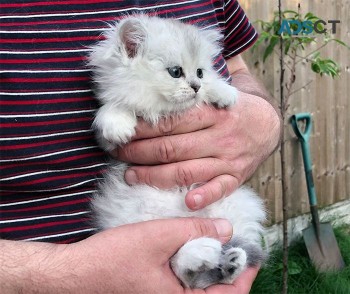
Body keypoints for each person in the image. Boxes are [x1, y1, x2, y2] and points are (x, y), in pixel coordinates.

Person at [0, 0, 281, 292]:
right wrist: (65, 274)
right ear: (131, 50)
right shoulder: (127, 81)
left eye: (198, 75)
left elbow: (234, 66)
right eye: (176, 72)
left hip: (203, 209)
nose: (195, 85)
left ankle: (211, 261)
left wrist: (263, 117)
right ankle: (189, 261)